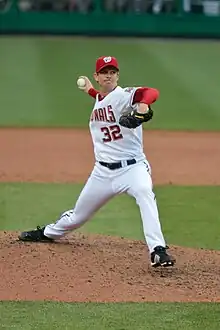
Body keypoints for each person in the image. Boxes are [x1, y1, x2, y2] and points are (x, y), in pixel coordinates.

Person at [18, 56, 176, 268]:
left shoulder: (124, 95)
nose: (109, 75)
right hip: (102, 173)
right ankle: (48, 232)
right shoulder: (101, 98)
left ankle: (158, 250)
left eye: (112, 72)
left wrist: (142, 108)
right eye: (104, 72)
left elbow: (150, 93)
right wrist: (91, 91)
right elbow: (101, 99)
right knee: (77, 217)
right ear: (97, 77)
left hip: (132, 168)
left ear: (117, 75)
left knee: (144, 193)